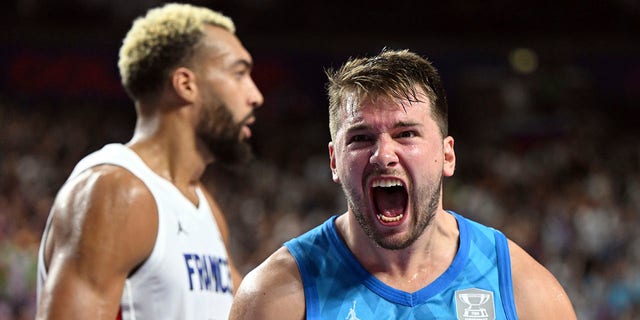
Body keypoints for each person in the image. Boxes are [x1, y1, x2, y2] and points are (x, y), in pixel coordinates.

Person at [229, 49, 576, 319]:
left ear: (447, 155)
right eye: (361, 137)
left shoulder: (525, 291)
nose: (383, 155)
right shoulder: (273, 298)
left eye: (406, 133)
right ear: (334, 161)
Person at [36, 3, 263, 319]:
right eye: (239, 73)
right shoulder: (113, 191)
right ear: (186, 84)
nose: (255, 95)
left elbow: (252, 310)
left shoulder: (204, 206)